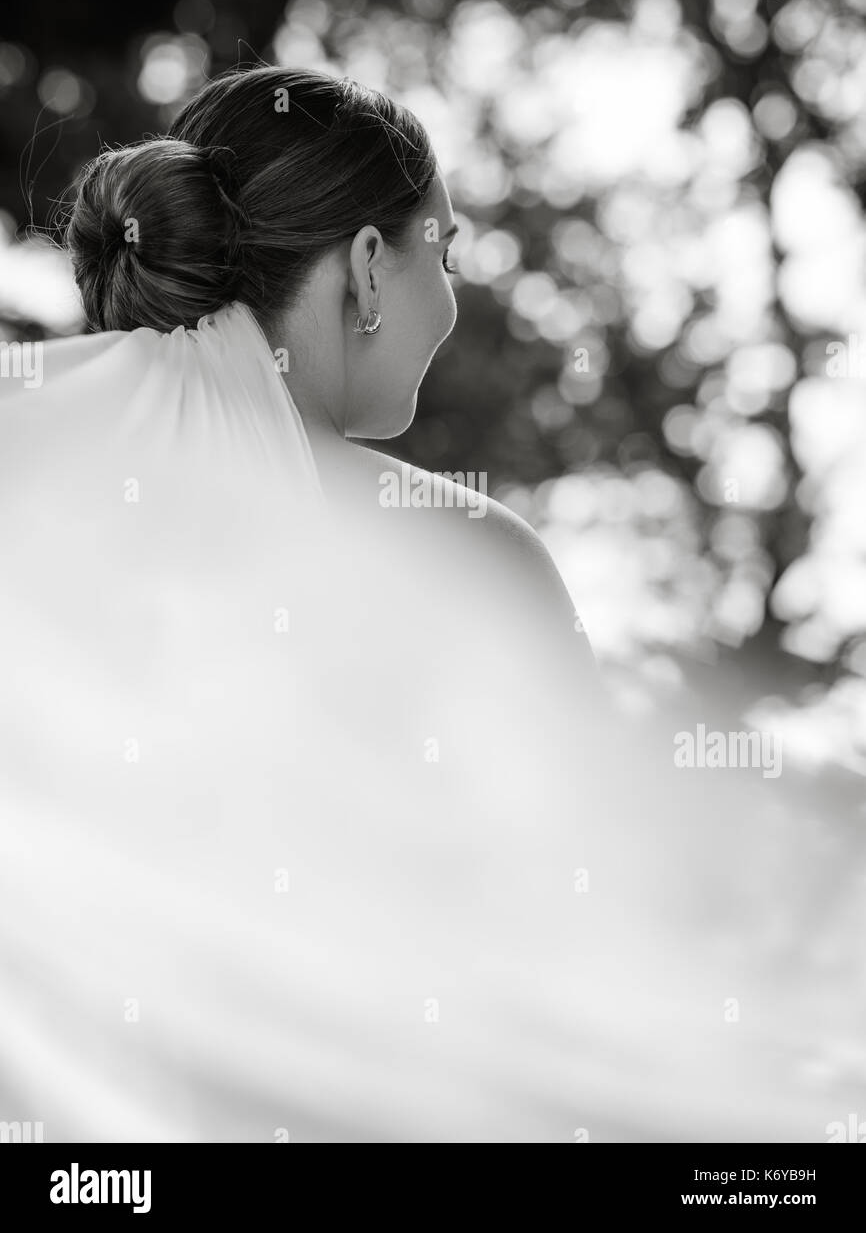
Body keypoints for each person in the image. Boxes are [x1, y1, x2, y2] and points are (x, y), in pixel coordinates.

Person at [0, 67, 860, 1142]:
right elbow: (589, 926)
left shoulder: (48, 508)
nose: (449, 296)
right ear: (367, 266)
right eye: (440, 250)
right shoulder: (466, 554)